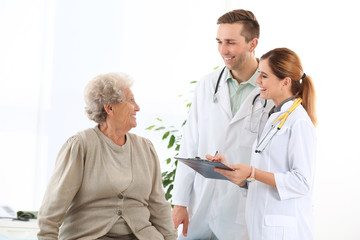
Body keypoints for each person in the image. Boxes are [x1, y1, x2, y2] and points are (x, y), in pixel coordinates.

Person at [37, 72, 177, 240]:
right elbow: (52, 208)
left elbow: (158, 204)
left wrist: (170, 238)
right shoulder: (80, 145)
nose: (137, 107)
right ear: (109, 108)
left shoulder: (145, 148)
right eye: (130, 100)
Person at [171, 9, 273, 240]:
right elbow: (190, 144)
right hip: (203, 201)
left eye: (230, 42)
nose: (223, 50)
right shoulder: (207, 85)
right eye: (219, 42)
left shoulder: (271, 89)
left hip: (244, 206)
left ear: (252, 43)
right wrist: (180, 202)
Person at [208, 48, 317, 240]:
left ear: (285, 82)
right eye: (259, 75)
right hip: (261, 227)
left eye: (264, 76)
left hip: (283, 230)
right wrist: (241, 178)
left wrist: (252, 173)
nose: (257, 81)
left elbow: (302, 183)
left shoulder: (298, 122)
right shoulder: (273, 116)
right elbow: (266, 174)